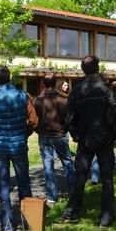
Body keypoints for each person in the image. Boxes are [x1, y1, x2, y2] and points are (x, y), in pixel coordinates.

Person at [62, 56, 116, 228]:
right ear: (97, 68)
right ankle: (106, 216)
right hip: (104, 138)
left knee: (80, 176)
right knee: (107, 178)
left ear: (83, 70)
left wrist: (76, 135)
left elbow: (68, 117)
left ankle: (72, 211)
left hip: (86, 139)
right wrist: (114, 133)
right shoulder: (107, 87)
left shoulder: (77, 90)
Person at [0, 66, 38, 231]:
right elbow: (34, 121)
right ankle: (28, 222)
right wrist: (24, 134)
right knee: (24, 183)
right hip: (19, 146)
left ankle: (7, 226)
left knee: (3, 186)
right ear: (10, 77)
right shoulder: (24, 96)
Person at [33, 74, 75, 204]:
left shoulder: (38, 100)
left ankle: (52, 195)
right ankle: (74, 192)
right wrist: (66, 129)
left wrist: (38, 130)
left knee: (48, 165)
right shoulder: (64, 100)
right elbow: (70, 118)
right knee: (68, 164)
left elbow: (34, 120)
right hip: (60, 135)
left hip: (45, 136)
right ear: (55, 83)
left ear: (43, 84)